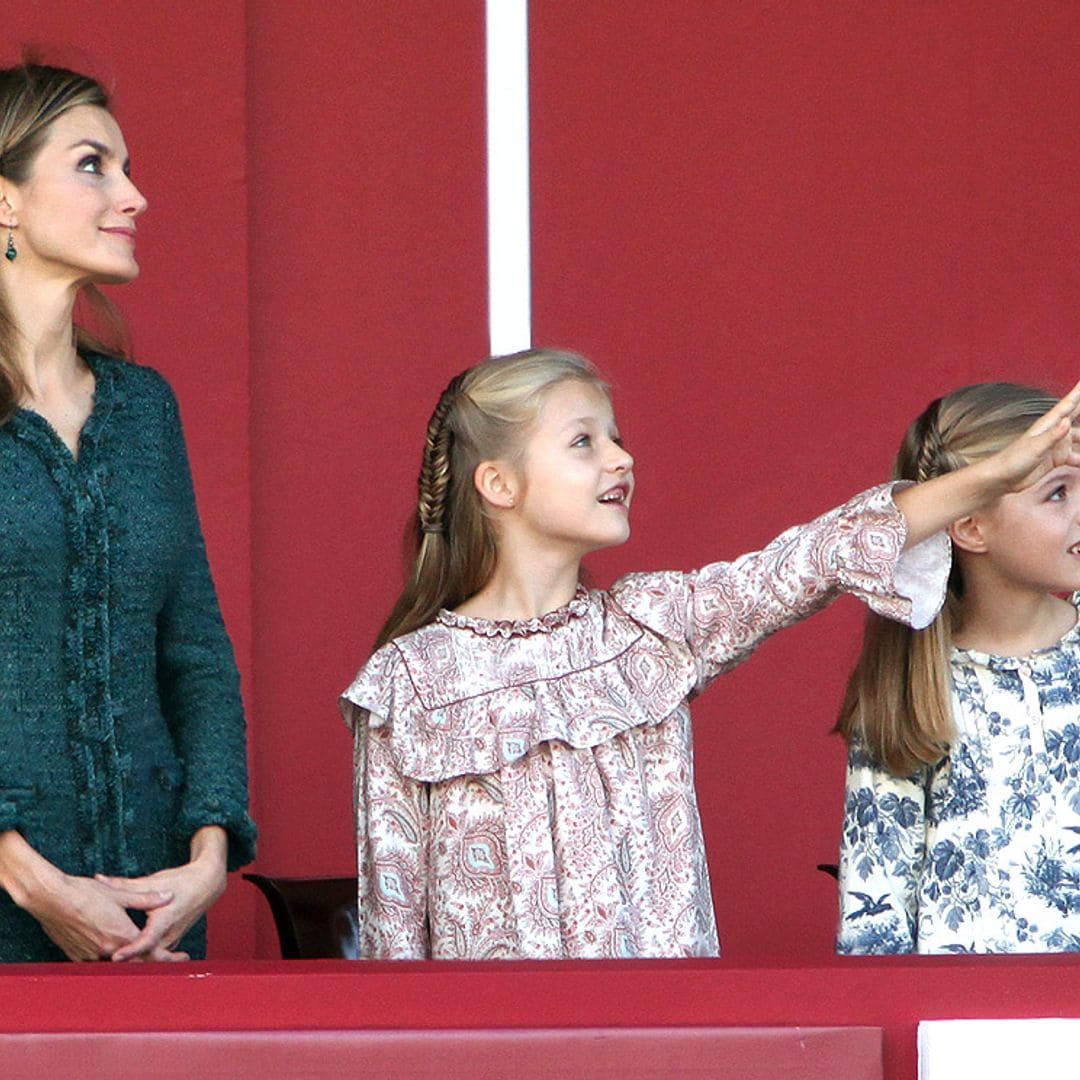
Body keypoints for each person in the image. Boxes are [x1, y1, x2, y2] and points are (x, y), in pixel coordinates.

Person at [342, 350, 1080, 959]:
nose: (622, 457)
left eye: (616, 435)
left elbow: (815, 558)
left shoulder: (655, 628)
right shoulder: (409, 684)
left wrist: (987, 478)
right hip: (493, 1061)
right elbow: (392, 935)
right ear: (498, 483)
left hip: (668, 1048)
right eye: (584, 441)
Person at [0, 63, 255, 962]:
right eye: (92, 165)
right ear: (6, 202)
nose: (133, 195)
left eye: (127, 166)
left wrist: (209, 852)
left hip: (156, 915)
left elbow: (195, 650)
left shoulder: (144, 409)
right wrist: (30, 879)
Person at [837, 381, 1080, 954]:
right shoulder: (913, 690)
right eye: (1057, 494)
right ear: (970, 527)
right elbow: (874, 914)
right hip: (970, 1036)